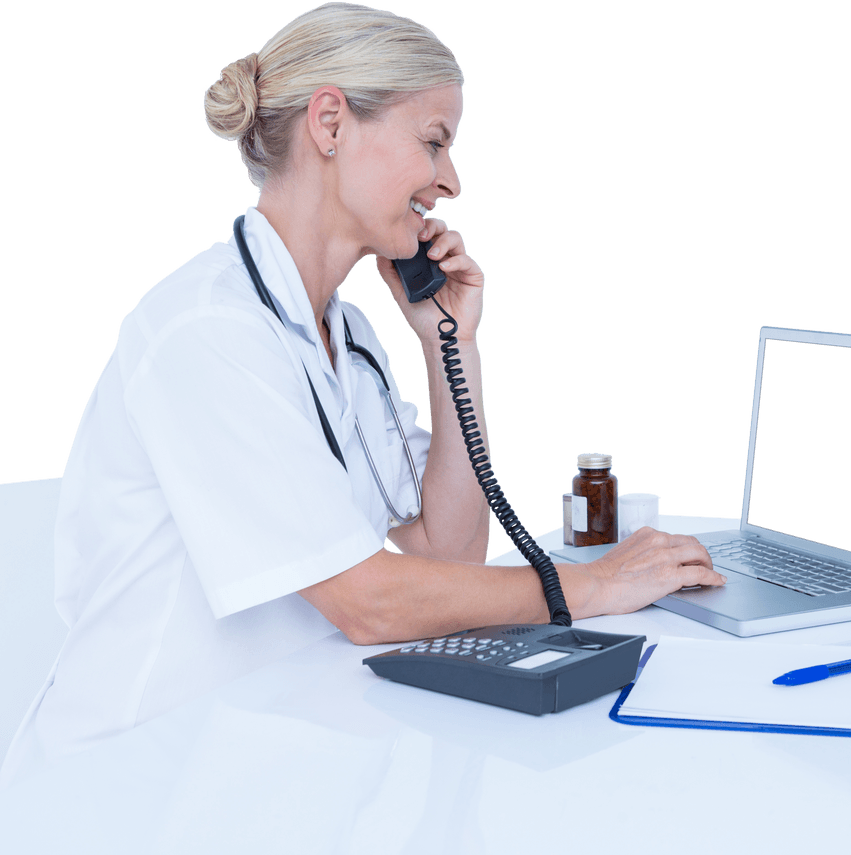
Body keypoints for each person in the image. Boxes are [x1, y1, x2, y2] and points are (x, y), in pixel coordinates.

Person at [0, 2, 724, 785]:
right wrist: (593, 586)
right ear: (332, 122)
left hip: (265, 752)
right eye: (433, 141)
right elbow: (369, 604)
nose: (450, 180)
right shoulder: (206, 330)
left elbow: (448, 551)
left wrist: (452, 344)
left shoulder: (349, 338)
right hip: (130, 782)